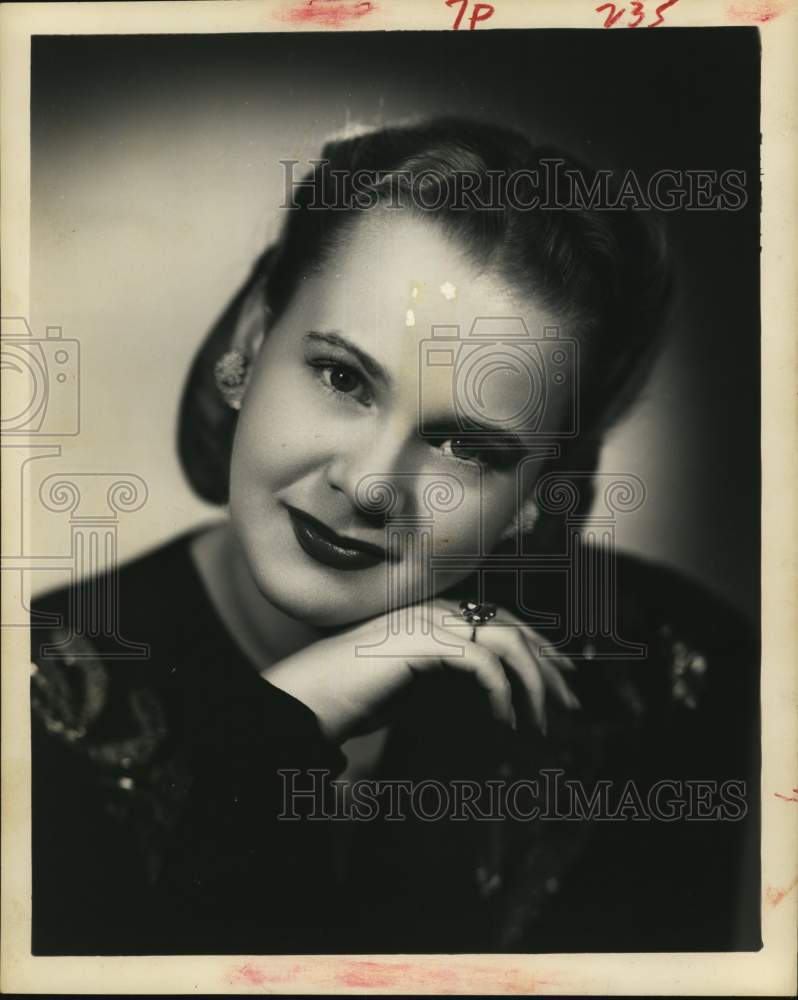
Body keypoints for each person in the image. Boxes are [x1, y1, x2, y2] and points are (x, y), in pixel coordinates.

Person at [29, 117, 759, 955]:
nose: (372, 483)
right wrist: (287, 724)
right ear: (248, 348)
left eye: (467, 446)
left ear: (542, 494)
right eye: (342, 377)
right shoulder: (42, 704)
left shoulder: (671, 674)